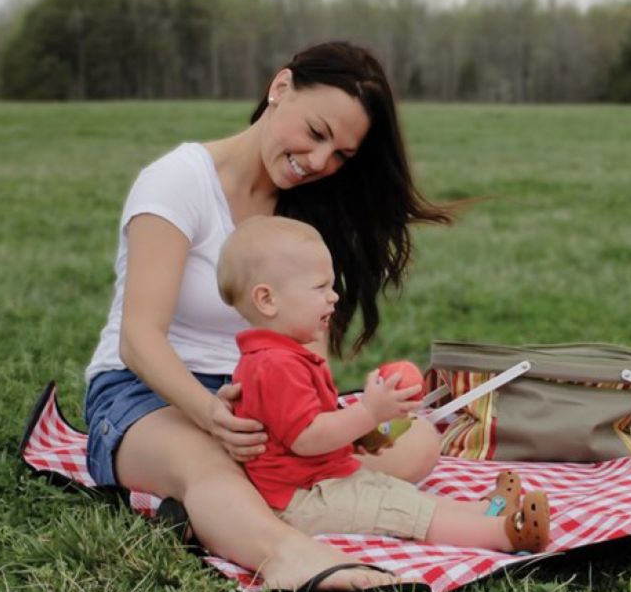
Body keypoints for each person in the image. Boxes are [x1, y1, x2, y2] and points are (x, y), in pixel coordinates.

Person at [83, 41, 455, 592]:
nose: (321, 161)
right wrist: (210, 413)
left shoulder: (305, 207)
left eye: (341, 155)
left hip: (266, 399)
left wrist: (337, 423)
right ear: (280, 89)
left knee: (418, 441)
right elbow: (139, 338)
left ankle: (237, 510)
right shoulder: (178, 181)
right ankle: (290, 558)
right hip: (147, 394)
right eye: (317, 132)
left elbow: (308, 342)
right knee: (211, 463)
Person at [217, 215, 551, 553]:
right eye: (320, 287)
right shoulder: (274, 365)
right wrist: (368, 411)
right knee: (400, 512)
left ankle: (487, 511)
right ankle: (505, 535)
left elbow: (307, 426)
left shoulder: (282, 357)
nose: (334, 297)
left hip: (322, 478)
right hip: (301, 499)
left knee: (398, 495)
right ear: (267, 300)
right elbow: (307, 438)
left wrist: (366, 432)